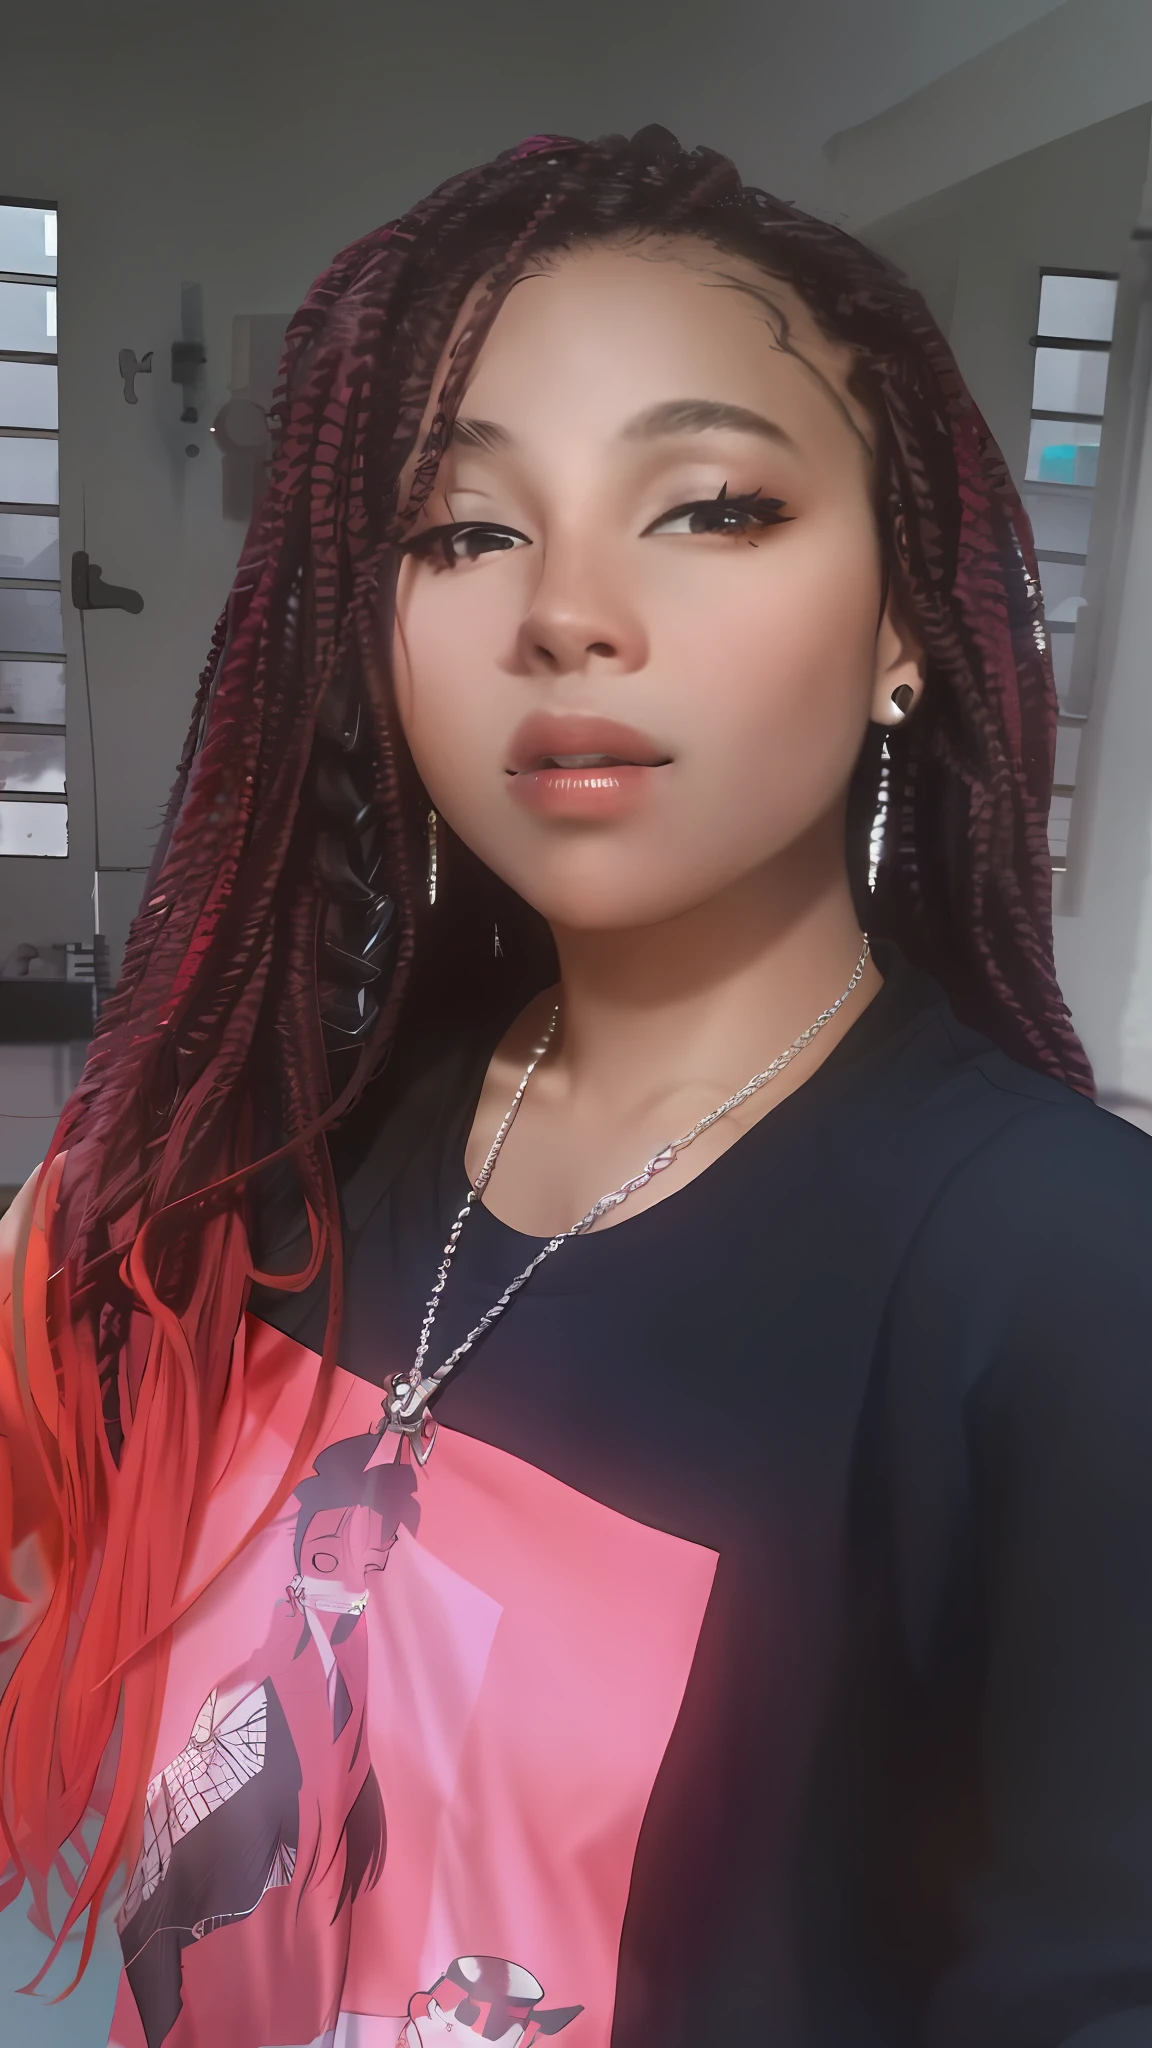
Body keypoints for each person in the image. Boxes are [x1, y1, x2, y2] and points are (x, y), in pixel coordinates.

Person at [1, 123, 1151, 2048]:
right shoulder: (312, 1139)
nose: (566, 611)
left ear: (901, 634)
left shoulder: (1059, 1282)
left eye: (710, 505)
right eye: (463, 532)